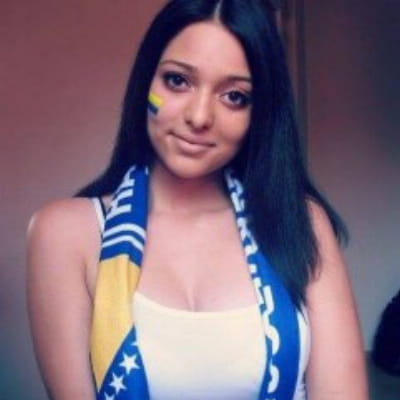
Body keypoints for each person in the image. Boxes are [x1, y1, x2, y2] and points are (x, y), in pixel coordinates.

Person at [26, 0, 368, 399]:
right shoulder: (66, 234)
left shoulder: (300, 221)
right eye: (177, 81)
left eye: (234, 96)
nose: (200, 116)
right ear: (146, 82)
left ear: (259, 113)